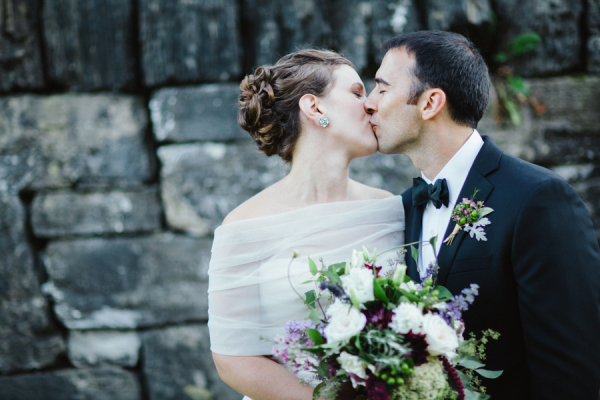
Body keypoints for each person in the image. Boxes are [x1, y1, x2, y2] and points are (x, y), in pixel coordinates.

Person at [364, 30, 600, 399]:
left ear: (430, 103)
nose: (368, 103)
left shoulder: (539, 199)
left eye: (381, 88)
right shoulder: (408, 206)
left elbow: (572, 372)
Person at [207, 49, 405, 400]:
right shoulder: (244, 225)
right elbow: (233, 360)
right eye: (358, 93)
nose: (372, 104)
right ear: (315, 108)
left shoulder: (390, 209)